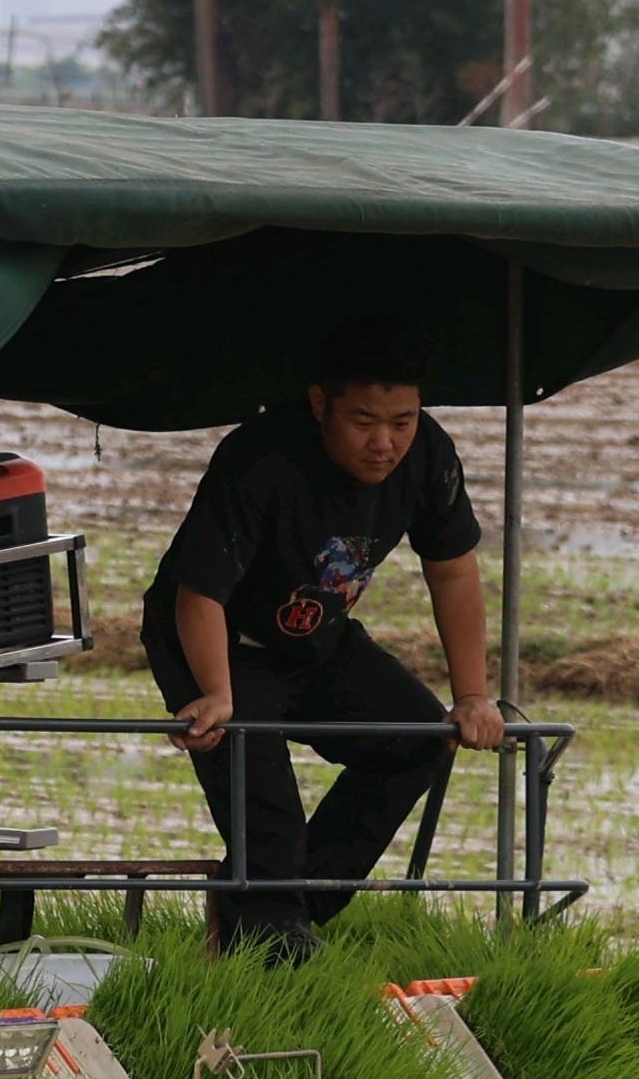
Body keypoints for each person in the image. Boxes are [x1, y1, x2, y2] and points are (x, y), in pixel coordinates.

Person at [151, 313, 503, 951]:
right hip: (217, 639)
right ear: (320, 404)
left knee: (417, 739)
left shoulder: (429, 456)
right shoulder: (260, 458)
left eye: (402, 421)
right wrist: (216, 694)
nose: (385, 443)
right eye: (364, 421)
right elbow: (199, 590)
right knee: (265, 809)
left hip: (315, 634)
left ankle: (283, 916)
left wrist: (473, 695)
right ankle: (273, 931)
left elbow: (453, 574)